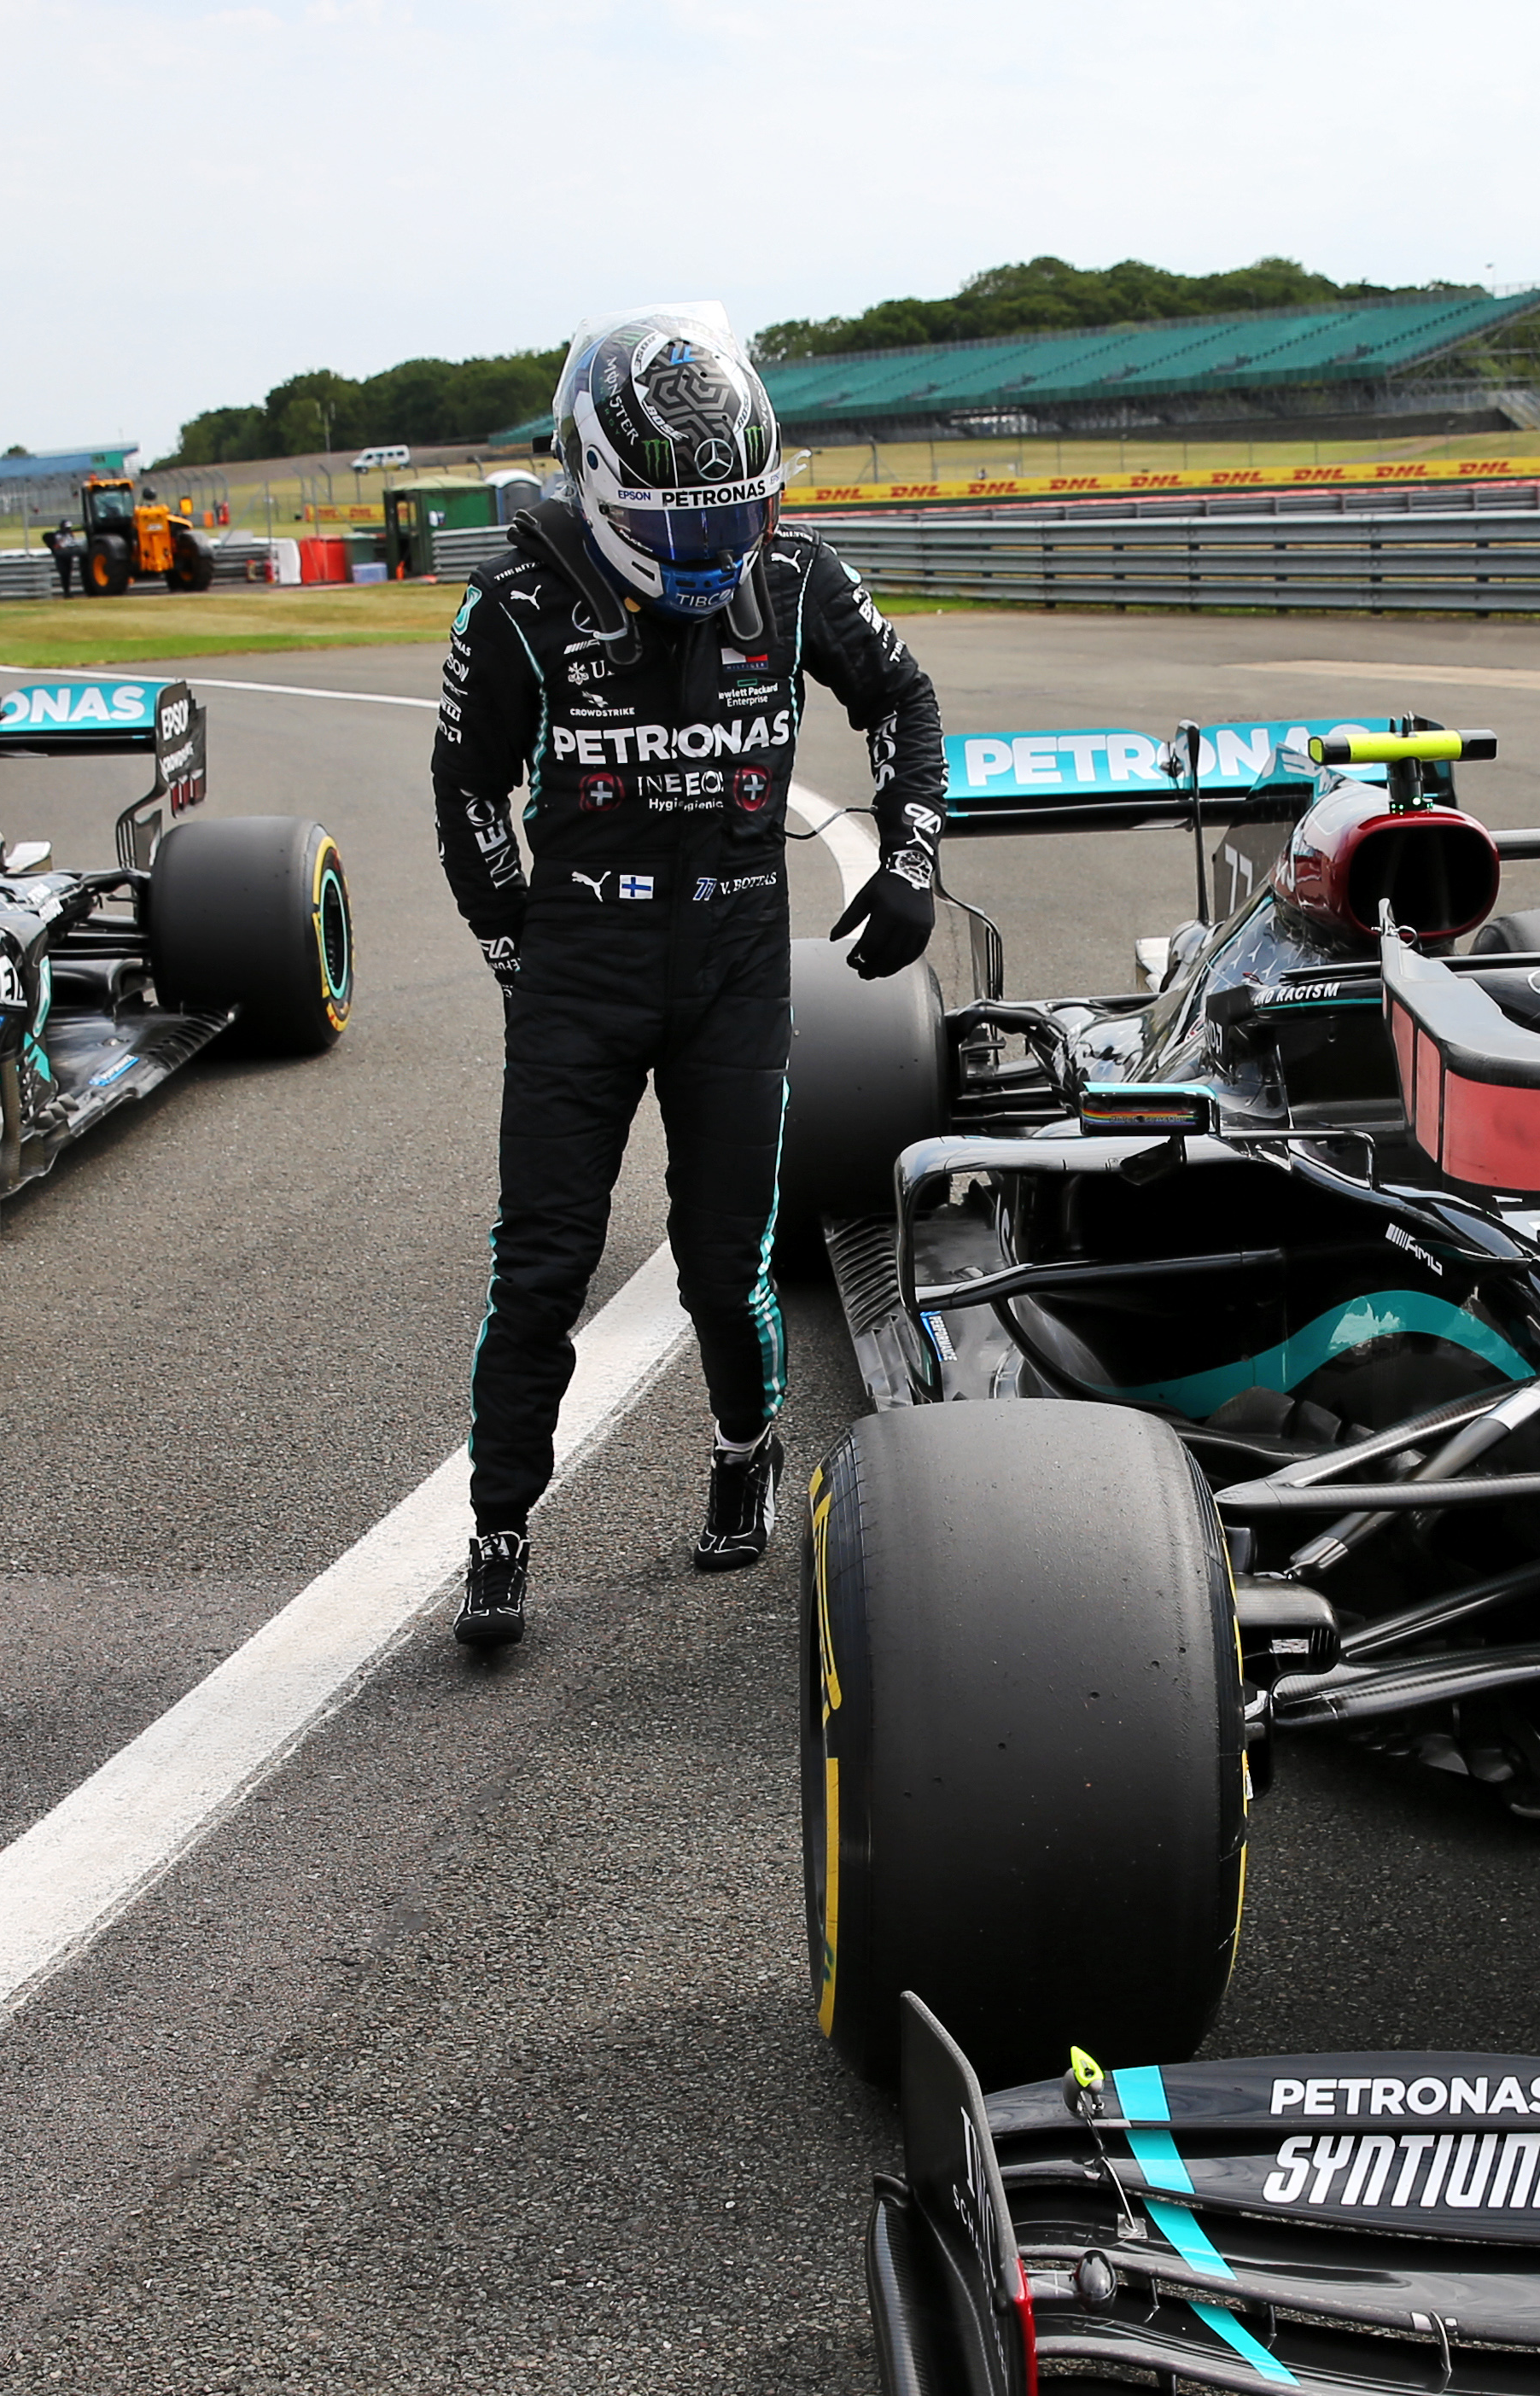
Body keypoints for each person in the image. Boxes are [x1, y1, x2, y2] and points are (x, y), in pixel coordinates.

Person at [429, 306, 943, 1653]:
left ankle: (743, 1445)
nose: (714, 554)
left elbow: (905, 699)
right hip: (582, 972)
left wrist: (911, 857)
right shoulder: (516, 606)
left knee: (727, 1263)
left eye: (733, 516)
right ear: (593, 483)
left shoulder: (799, 571)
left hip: (733, 968)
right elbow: (467, 785)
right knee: (539, 1266)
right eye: (680, 522)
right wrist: (515, 949)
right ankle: (498, 1529)